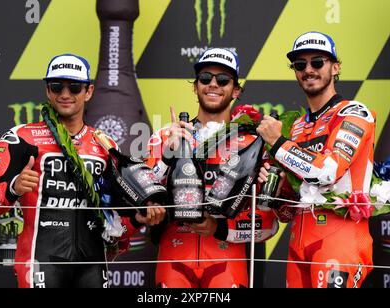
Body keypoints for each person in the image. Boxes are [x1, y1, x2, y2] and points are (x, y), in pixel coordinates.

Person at [0, 54, 166, 288]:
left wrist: (138, 217)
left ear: (88, 92)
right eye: (57, 86)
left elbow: (118, 218)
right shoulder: (21, 138)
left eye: (74, 87)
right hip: (41, 259)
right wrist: (14, 187)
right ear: (48, 91)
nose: (65, 94)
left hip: (93, 265)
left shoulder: (105, 145)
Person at [146, 48, 279, 288]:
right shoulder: (165, 135)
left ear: (236, 90)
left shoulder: (253, 144)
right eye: (205, 78)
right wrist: (167, 156)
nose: (213, 85)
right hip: (174, 257)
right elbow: (141, 202)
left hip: (227, 261)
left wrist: (218, 228)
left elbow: (268, 225)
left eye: (223, 80)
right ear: (195, 86)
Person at [257, 31, 375, 288]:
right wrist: (277, 191)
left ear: (335, 67)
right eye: (300, 65)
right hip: (299, 240)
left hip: (340, 236)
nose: (308, 70)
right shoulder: (297, 126)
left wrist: (278, 143)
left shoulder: (355, 113)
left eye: (317, 62)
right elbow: (288, 211)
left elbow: (327, 173)